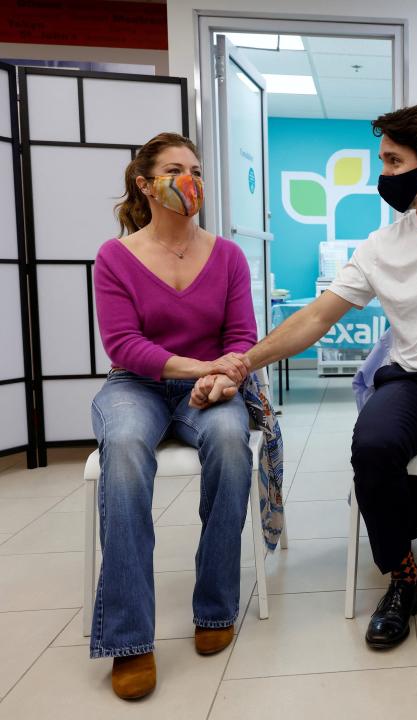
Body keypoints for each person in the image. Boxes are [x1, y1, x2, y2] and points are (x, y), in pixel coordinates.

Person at [192, 104, 417, 663]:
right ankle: (404, 577)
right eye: (381, 160)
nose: (382, 173)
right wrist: (242, 361)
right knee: (372, 443)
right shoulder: (382, 246)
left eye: (392, 160)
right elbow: (316, 318)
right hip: (412, 382)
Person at [91, 132, 257, 698]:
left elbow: (241, 338)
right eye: (174, 170)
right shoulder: (116, 257)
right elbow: (123, 345)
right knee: (126, 452)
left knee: (233, 446)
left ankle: (215, 608)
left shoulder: (229, 256)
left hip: (207, 386)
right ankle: (128, 638)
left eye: (196, 170)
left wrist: (221, 378)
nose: (190, 180)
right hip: (135, 386)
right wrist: (199, 368)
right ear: (144, 183)